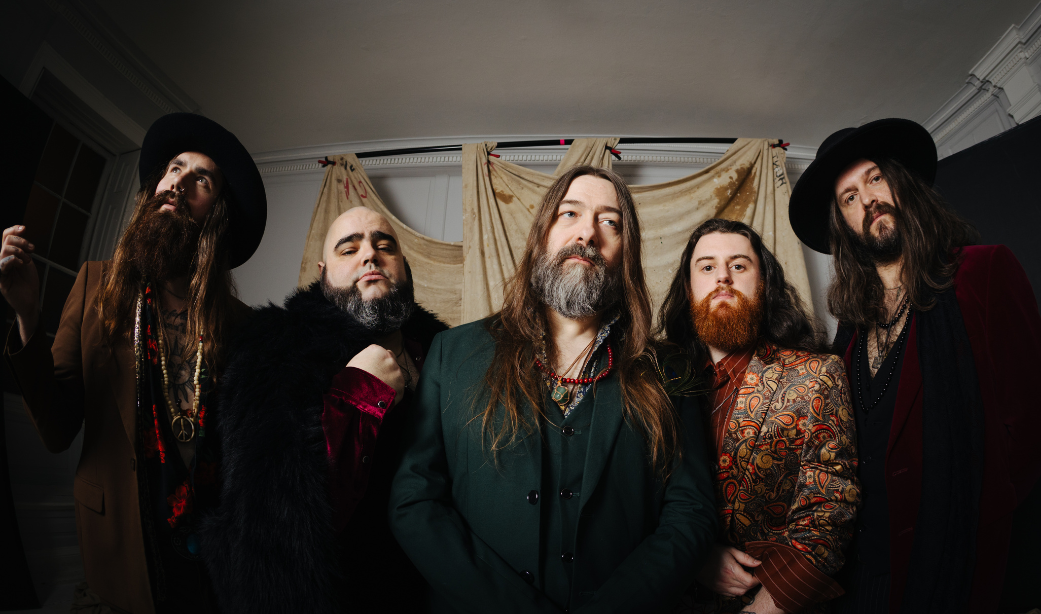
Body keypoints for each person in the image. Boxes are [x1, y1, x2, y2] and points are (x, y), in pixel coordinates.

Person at [389, 166, 717, 613]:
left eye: (610, 222)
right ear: (541, 235)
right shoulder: (453, 353)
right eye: (570, 214)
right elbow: (414, 500)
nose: (588, 233)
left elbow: (690, 513)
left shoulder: (669, 371)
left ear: (626, 252)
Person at [788, 119, 1041, 614]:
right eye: (849, 197)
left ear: (901, 182)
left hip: (952, 560)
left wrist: (977, 515)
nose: (868, 200)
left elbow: (1036, 424)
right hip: (862, 574)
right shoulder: (850, 332)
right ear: (842, 224)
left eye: (875, 178)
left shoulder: (984, 272)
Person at [1, 112, 266, 613]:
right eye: (174, 168)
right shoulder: (95, 285)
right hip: (120, 548)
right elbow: (57, 429)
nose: (178, 183)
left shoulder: (244, 326)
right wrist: (28, 318)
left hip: (211, 559)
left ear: (218, 214)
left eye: (201, 180)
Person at [200, 206, 448, 613]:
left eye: (385, 246)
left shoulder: (447, 352)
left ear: (404, 266)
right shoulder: (273, 349)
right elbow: (266, 515)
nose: (370, 255)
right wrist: (359, 396)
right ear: (323, 273)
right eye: (348, 249)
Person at [660, 219, 858, 614]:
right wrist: (695, 557)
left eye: (738, 265)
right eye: (707, 267)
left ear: (763, 283)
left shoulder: (817, 376)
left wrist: (763, 608)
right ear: (688, 287)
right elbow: (636, 503)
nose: (723, 277)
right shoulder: (656, 386)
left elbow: (831, 510)